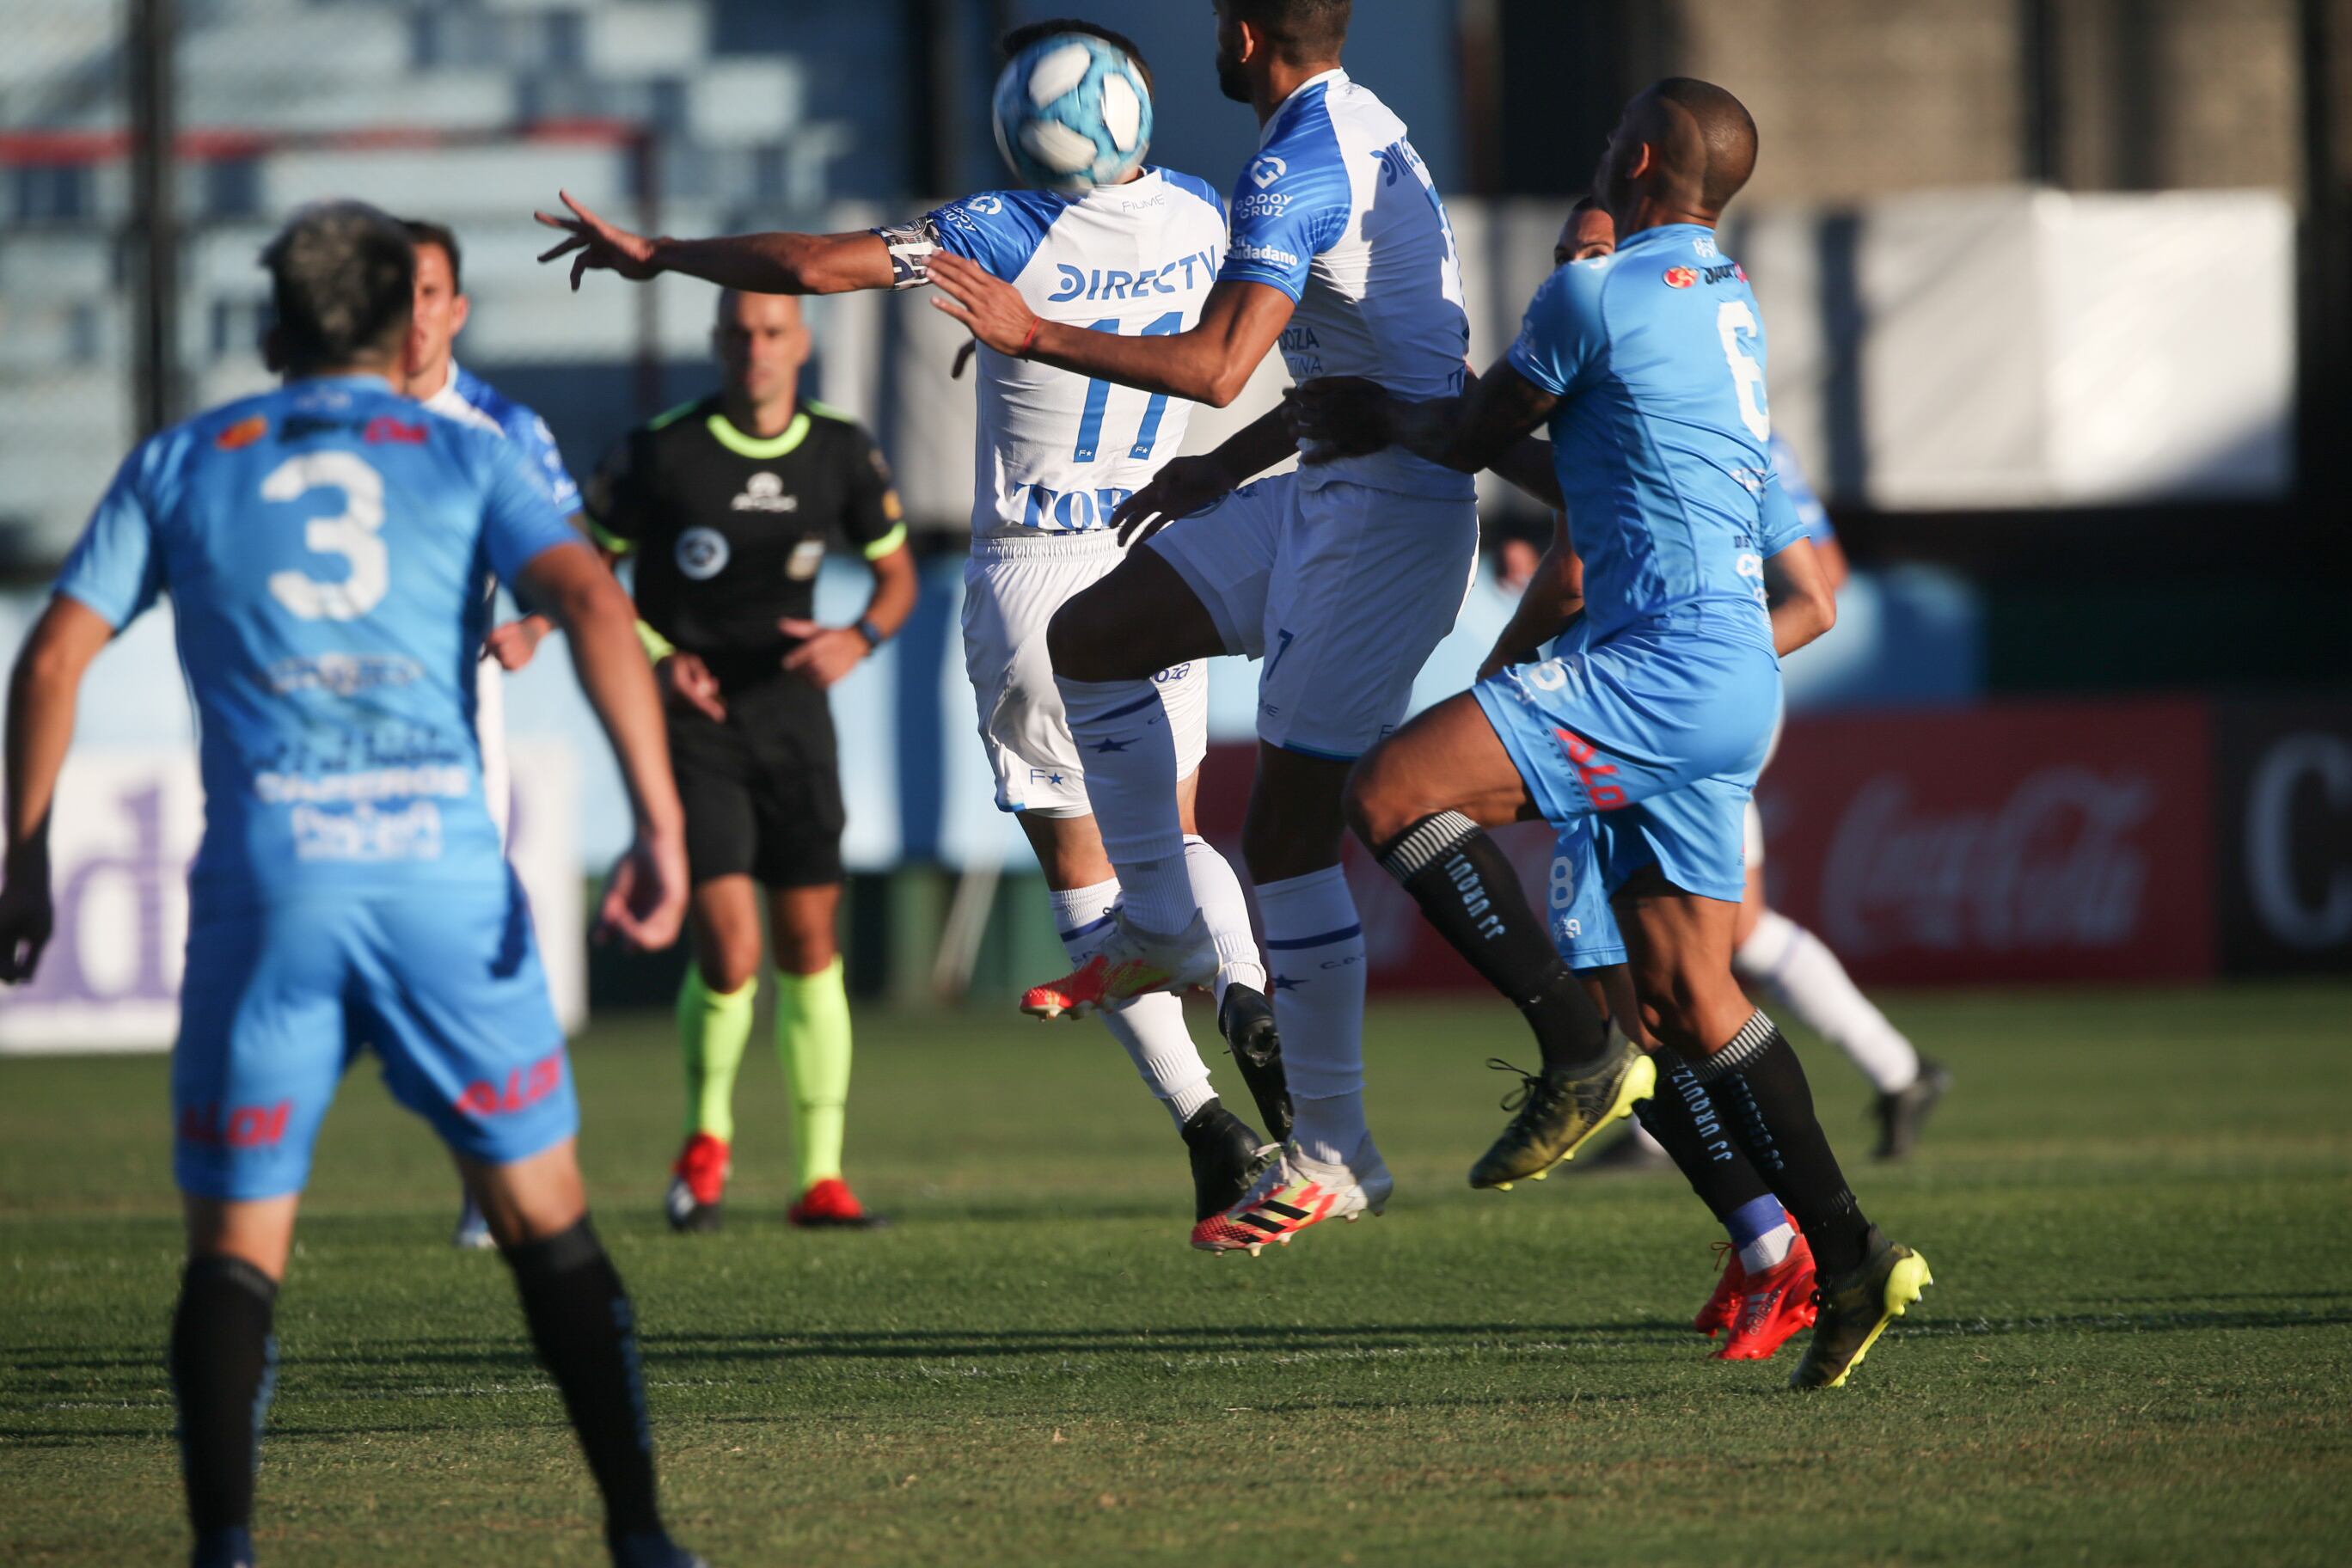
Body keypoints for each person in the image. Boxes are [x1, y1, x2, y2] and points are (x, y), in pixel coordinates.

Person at [0, 202, 703, 1565]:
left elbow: (50, 662)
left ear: (270, 331)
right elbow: (594, 605)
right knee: (543, 1220)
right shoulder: (464, 453)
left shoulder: (183, 461)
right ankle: (640, 1535)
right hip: (438, 878)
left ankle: (225, 1549)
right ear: (404, 330)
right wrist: (658, 824)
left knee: (235, 1249)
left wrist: (20, 857)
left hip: (270, 885)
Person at [532, 18, 1291, 1228]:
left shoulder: (993, 234)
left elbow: (814, 266)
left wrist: (664, 252)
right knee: (1181, 836)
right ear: (1133, 110)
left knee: (1092, 891)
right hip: (1157, 559)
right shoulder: (1203, 214)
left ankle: (1208, 1129)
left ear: (1016, 129)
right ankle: (1249, 983)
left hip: (1037, 580)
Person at [1311, 80, 1932, 1389]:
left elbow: (1470, 437)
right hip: (1739, 677)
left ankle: (1572, 1047)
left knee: (1388, 793)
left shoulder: (1592, 294)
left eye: (1610, 139)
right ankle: (1848, 1250)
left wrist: (1381, 414)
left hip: (1648, 665)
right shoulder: (1730, 305)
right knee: (1692, 1000)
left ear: (1638, 159)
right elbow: (1600, 462)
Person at [924, 0, 1491, 1254]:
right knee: (1102, 641)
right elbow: (1348, 383)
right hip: (1301, 492)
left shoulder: (1287, 167)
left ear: (1238, 34)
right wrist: (1213, 473)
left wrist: (1030, 330)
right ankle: (1164, 937)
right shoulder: (1341, 138)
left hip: (1368, 520)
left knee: (1289, 831)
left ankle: (1338, 1145)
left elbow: (1226, 362)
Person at [585, 288, 915, 1232]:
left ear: (801, 343)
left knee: (811, 947)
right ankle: (706, 1140)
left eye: (772, 332)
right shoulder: (661, 451)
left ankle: (821, 1175)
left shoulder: (840, 451)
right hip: (696, 728)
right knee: (730, 949)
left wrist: (857, 639)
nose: (754, 349)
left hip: (796, 725)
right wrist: (658, 656)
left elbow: (893, 578)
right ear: (716, 342)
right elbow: (586, 570)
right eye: (737, 333)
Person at [396, 216, 596, 1251]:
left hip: (455, 741)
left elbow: (575, 562)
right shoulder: (328, 423)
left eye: (427, 292)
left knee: (467, 954)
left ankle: (495, 1178)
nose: (411, 314)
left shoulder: (499, 427)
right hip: (331, 744)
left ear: (457, 308)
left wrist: (535, 619)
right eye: (393, 292)